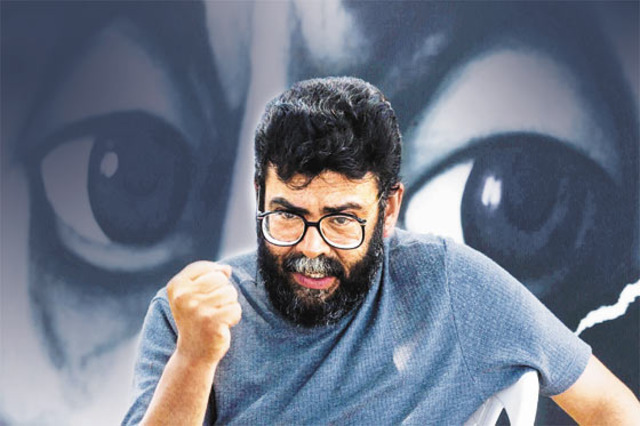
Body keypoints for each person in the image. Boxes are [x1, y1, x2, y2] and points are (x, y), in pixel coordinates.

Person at [123, 77, 639, 425]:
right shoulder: (189, 315)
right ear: (259, 193)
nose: (310, 248)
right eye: (287, 215)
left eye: (341, 220)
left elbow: (609, 406)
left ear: (388, 209)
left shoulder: (448, 283)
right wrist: (194, 358)